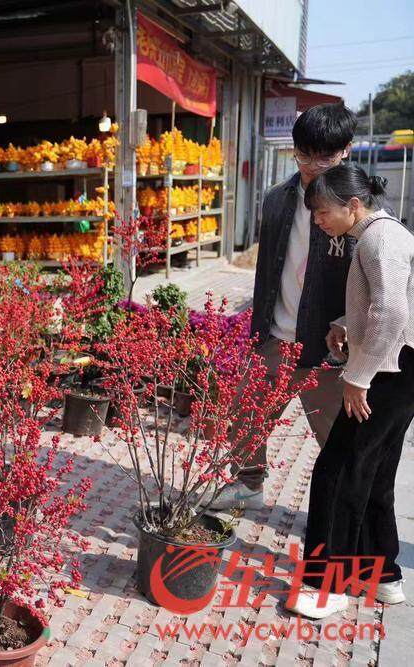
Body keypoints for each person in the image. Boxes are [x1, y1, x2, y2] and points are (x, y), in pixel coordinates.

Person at [211, 103, 357, 511]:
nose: (312, 166)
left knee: (337, 437)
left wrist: (349, 326)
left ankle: (339, 515)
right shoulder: (278, 199)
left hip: (330, 349)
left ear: (346, 149)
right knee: (245, 413)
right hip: (276, 336)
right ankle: (249, 484)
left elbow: (377, 281)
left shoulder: (359, 206)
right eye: (303, 154)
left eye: (323, 156)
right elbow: (266, 271)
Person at [285, 163, 413, 618]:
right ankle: (383, 575)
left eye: (322, 212)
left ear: (352, 205)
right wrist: (345, 324)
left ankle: (328, 586)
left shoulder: (380, 240)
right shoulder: (385, 235)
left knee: (336, 472)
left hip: (389, 370)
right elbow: (389, 303)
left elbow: (393, 313)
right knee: (374, 470)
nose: (318, 221)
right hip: (400, 366)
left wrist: (358, 377)